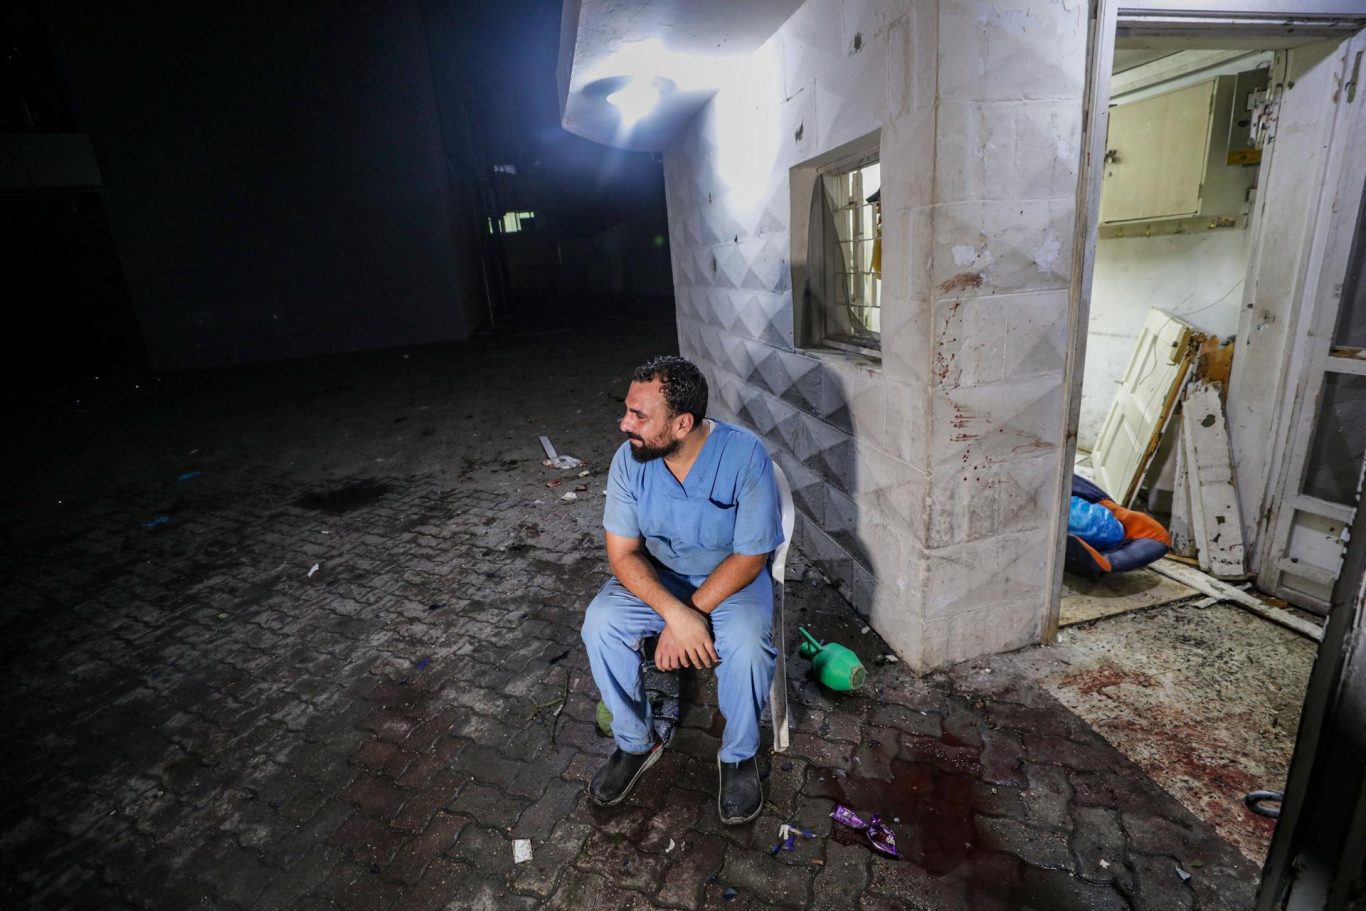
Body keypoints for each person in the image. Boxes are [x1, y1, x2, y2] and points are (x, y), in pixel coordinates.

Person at [581, 355, 783, 824]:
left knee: (750, 645)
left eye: (639, 416)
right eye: (627, 410)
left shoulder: (745, 456)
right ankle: (636, 742)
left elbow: (751, 557)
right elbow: (623, 554)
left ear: (681, 424)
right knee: (601, 624)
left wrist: (688, 614)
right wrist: (677, 614)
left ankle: (738, 756)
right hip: (660, 577)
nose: (623, 423)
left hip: (733, 578)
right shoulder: (629, 461)